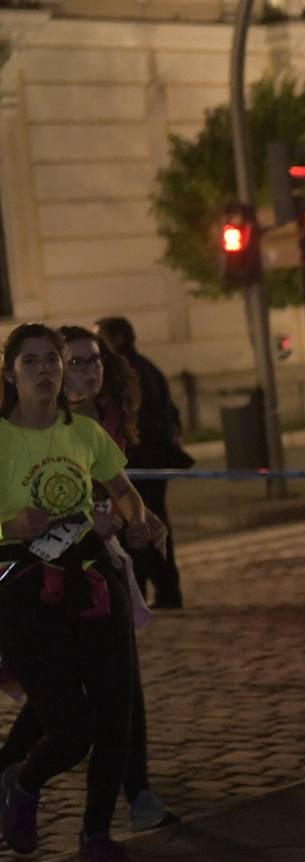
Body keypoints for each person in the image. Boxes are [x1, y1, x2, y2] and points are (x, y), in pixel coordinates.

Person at [0, 326, 180, 833]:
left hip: (93, 579)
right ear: (11, 374)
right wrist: (7, 526)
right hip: (24, 590)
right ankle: (25, 780)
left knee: (116, 711)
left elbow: (124, 490)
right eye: (30, 361)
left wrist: (142, 518)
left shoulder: (83, 431)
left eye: (51, 361)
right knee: (68, 727)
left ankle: (98, 834)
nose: (44, 370)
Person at [95, 316, 188, 611]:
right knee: (147, 523)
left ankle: (157, 590)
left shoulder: (129, 373)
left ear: (117, 339)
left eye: (101, 339)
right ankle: (160, 590)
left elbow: (142, 420)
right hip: (149, 459)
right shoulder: (145, 367)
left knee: (142, 525)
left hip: (142, 461)